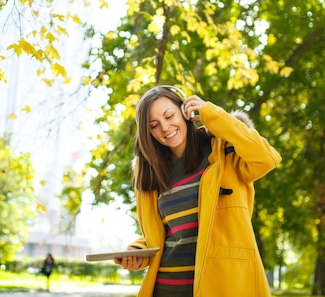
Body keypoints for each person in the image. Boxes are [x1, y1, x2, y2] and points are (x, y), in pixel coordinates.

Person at [113, 86, 281, 297]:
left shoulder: (225, 150)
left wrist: (211, 114)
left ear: (185, 111)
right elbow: (161, 234)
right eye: (154, 125)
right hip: (164, 290)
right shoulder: (150, 172)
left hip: (223, 287)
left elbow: (267, 158)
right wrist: (139, 250)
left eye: (169, 116)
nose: (165, 128)